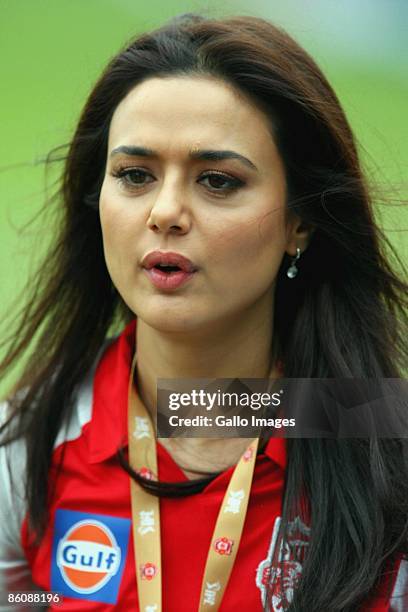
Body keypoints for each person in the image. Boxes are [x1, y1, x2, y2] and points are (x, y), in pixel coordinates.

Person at [0, 12, 407, 612]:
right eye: (134, 175)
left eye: (217, 181)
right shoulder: (31, 443)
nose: (165, 212)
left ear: (301, 220)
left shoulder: (384, 447)